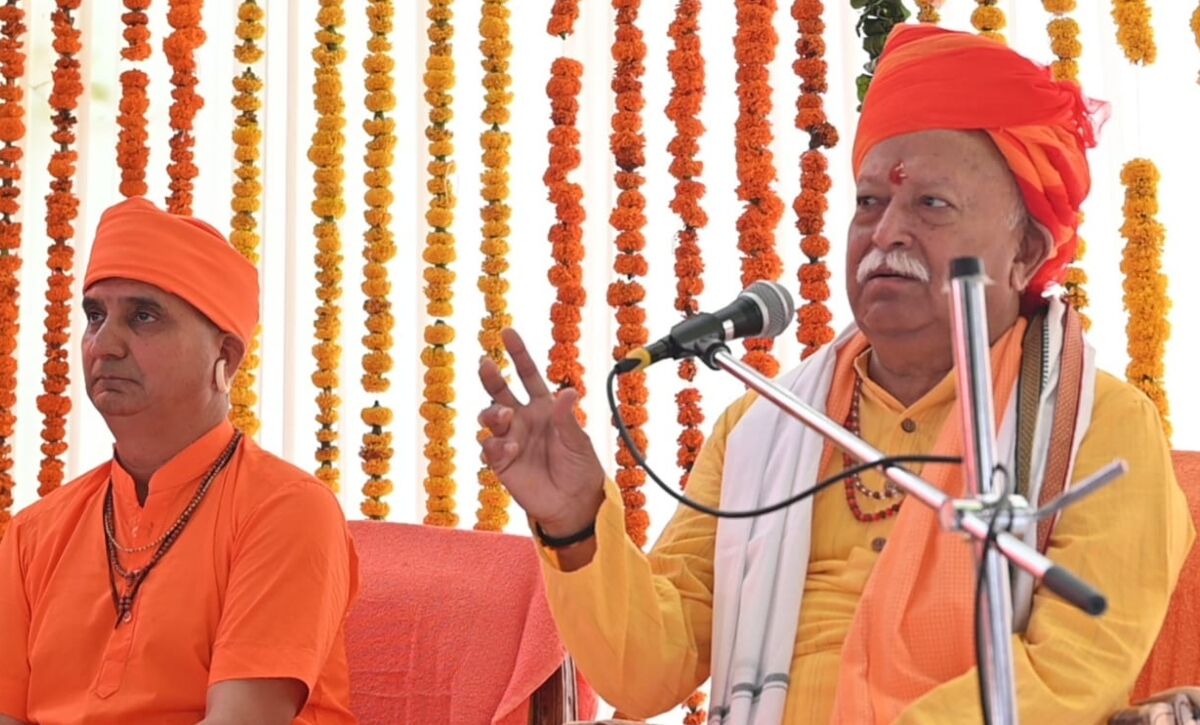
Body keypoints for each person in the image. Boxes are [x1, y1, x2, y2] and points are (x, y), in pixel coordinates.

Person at [476, 25, 1195, 725]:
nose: (886, 233)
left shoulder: (1099, 427)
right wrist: (574, 524)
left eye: (931, 204)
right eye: (870, 203)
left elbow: (1070, 673)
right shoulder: (764, 426)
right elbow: (650, 670)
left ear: (1027, 251)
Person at [0, 197, 359, 725]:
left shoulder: (286, 510)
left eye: (143, 317)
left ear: (225, 358)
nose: (104, 344)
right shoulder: (34, 534)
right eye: (95, 316)